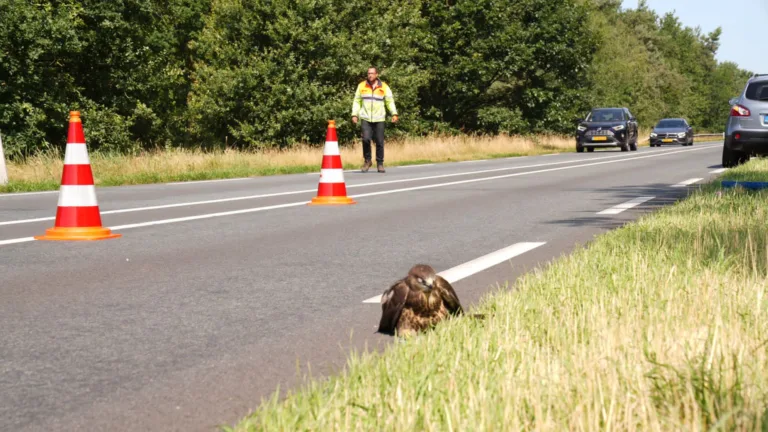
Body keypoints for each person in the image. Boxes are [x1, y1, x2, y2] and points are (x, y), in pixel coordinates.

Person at [351, 67, 398, 173]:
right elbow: (357, 101)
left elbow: (389, 101)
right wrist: (354, 114)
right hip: (365, 118)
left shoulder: (384, 87)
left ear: (377, 74)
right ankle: (367, 161)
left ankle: (380, 163)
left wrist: (394, 113)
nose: (370, 75)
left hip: (379, 118)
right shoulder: (361, 86)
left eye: (372, 73)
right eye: (368, 73)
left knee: (379, 141)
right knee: (366, 139)